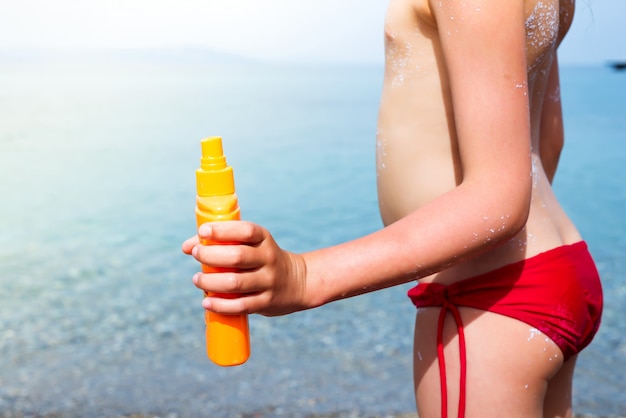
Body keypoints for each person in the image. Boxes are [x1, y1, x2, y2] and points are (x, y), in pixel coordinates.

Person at [182, 0, 603, 416]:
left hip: (491, 295)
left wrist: (305, 277)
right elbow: (546, 144)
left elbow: (500, 201)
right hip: (557, 269)